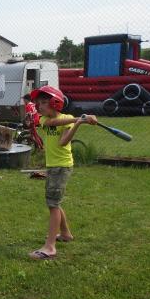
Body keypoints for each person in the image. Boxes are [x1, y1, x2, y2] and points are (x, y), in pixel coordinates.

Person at [28, 86, 97, 260]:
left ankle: (50, 247)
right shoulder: (44, 119)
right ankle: (65, 234)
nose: (40, 106)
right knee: (55, 202)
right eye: (38, 103)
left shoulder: (67, 119)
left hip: (61, 166)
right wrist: (79, 119)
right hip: (53, 166)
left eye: (44, 102)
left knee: (53, 204)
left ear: (55, 103)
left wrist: (78, 124)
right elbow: (53, 124)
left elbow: (63, 141)